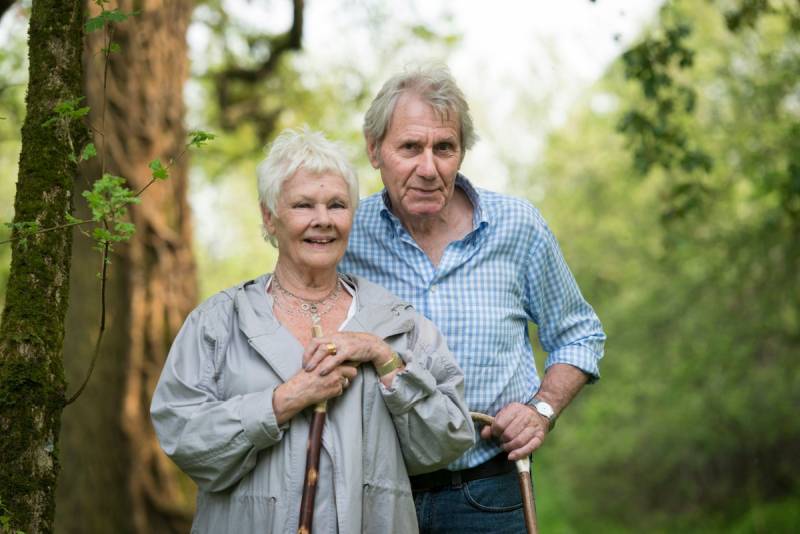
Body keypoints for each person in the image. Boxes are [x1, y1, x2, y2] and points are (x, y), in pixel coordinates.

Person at [150, 127, 475, 533]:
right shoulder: (218, 322)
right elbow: (183, 438)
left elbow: (446, 440)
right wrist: (284, 400)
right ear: (270, 216)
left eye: (337, 205)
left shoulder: (399, 325)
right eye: (303, 205)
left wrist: (383, 357)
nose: (322, 221)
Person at [339, 64, 607, 532]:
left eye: (444, 147)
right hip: (375, 493)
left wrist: (540, 410)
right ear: (374, 148)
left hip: (490, 491)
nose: (429, 167)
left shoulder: (516, 227)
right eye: (410, 148)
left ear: (462, 151)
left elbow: (579, 334)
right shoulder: (345, 237)